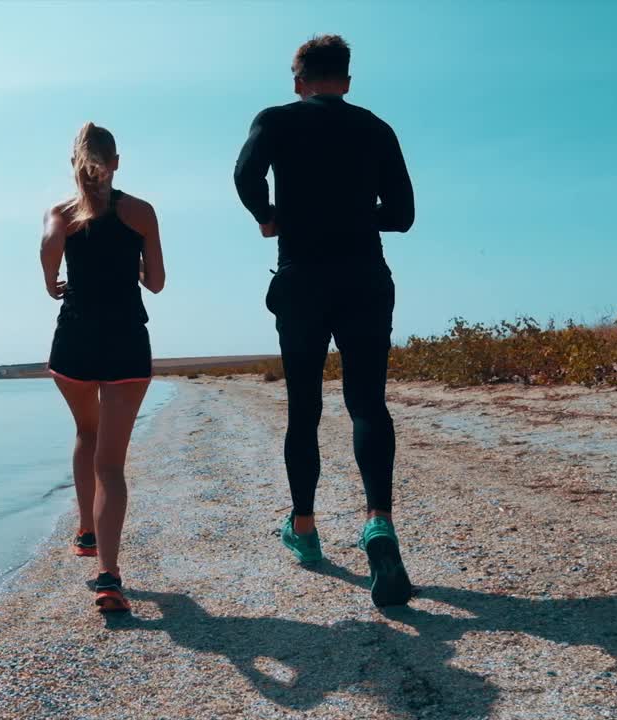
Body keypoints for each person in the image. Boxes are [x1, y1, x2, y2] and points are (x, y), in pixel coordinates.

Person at [233, 35, 416, 607]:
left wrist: (273, 216)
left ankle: (306, 533)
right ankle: (379, 524)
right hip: (364, 278)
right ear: (347, 79)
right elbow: (404, 215)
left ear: (299, 80)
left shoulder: (276, 120)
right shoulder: (376, 128)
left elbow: (244, 177)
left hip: (302, 281)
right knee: (366, 404)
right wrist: (354, 215)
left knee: (304, 409)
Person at [41, 122, 166, 613]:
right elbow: (155, 282)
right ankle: (108, 577)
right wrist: (130, 267)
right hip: (126, 345)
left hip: (74, 343)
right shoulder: (140, 213)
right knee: (111, 465)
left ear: (74, 165)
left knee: (85, 434)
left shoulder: (61, 212)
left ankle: (86, 533)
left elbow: (49, 257)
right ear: (116, 162)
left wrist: (53, 280)